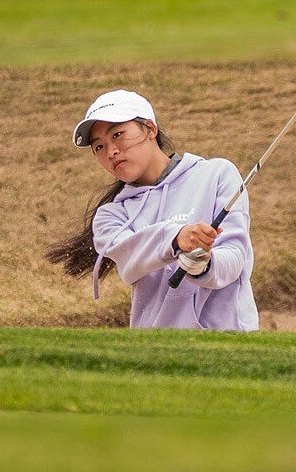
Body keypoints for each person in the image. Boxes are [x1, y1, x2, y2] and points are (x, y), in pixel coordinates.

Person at [47, 89, 258, 330]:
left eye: (117, 135)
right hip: (156, 343)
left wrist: (204, 266)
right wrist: (176, 238)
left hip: (227, 339)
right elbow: (130, 265)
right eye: (99, 147)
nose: (111, 151)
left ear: (150, 129)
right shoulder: (110, 217)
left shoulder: (217, 174)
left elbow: (235, 257)